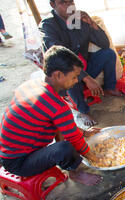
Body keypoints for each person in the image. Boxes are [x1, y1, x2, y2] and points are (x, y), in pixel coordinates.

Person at [0, 45, 102, 186]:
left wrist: (84, 133)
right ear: (58, 75)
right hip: (18, 162)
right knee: (65, 148)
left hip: (8, 152)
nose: (76, 80)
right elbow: (74, 139)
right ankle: (76, 174)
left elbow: (65, 128)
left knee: (64, 135)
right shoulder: (56, 105)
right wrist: (97, 159)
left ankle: (71, 166)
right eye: (74, 76)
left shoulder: (32, 85)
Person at [39, 0, 123, 127]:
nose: (69, 6)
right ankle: (83, 111)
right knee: (69, 75)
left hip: (84, 65)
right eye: (63, 3)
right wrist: (86, 78)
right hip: (66, 72)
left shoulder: (78, 19)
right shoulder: (48, 25)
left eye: (71, 1)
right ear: (53, 5)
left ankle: (109, 88)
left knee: (108, 53)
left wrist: (92, 24)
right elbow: (60, 57)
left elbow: (104, 44)